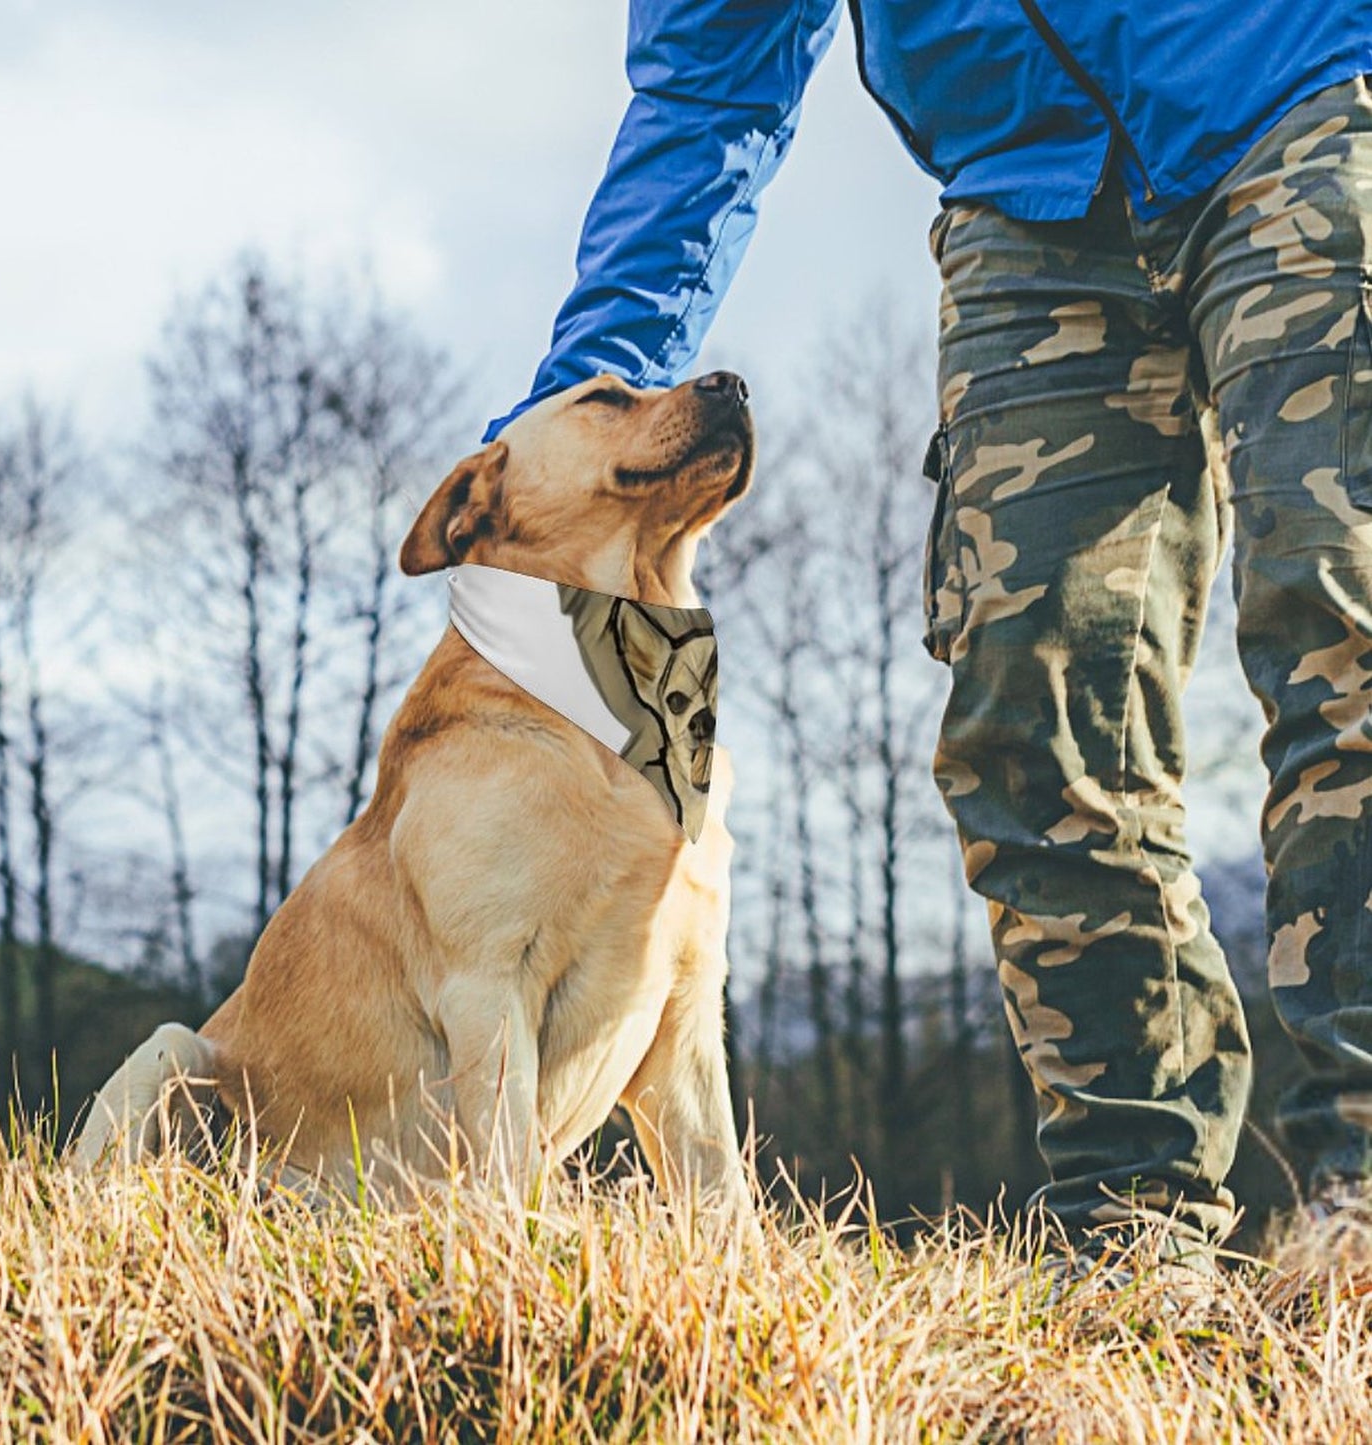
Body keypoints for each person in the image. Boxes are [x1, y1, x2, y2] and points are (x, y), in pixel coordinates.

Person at [485, 0, 1372, 1278]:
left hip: (1297, 88)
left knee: (1339, 626)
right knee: (1032, 714)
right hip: (1028, 200)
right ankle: (1134, 1230)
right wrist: (575, 425)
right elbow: (706, 93)